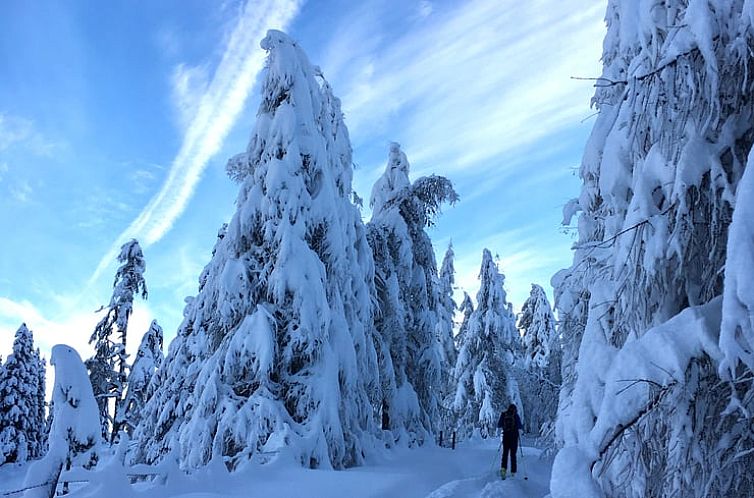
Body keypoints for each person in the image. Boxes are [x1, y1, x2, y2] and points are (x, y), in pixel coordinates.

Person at [496, 404, 522, 479]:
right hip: (514, 437)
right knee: (513, 455)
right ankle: (513, 472)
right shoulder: (515, 415)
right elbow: (520, 426)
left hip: (506, 437)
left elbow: (499, 425)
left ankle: (503, 470)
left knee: (505, 454)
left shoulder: (504, 414)